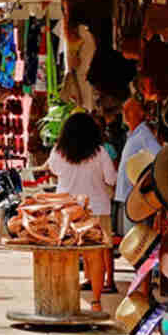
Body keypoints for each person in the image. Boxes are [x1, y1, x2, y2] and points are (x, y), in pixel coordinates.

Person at [46, 112, 117, 312]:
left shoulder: (58, 152)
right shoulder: (100, 152)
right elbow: (111, 179)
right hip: (97, 209)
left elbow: (53, 170)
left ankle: (64, 298)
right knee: (95, 255)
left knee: (66, 255)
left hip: (67, 209)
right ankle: (95, 301)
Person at [114, 99, 160, 234]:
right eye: (124, 110)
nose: (125, 114)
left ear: (140, 113)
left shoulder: (144, 135)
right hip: (128, 196)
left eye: (130, 110)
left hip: (136, 198)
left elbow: (159, 157)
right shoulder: (133, 135)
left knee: (136, 238)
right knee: (129, 237)